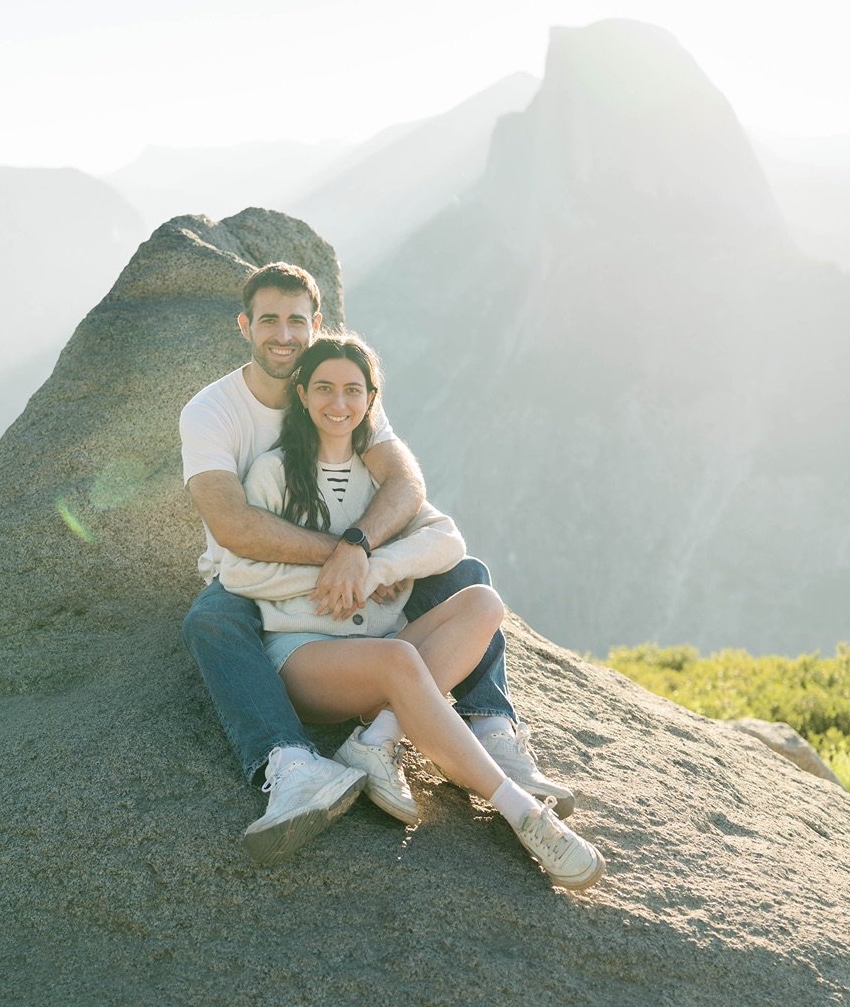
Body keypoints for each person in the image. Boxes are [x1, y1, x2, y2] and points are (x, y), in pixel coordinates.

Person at [180, 261, 574, 865]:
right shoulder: (214, 412)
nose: (283, 335)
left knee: (469, 580)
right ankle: (289, 762)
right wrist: (345, 560)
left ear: (316, 325)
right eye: (268, 321)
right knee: (210, 619)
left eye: (295, 321)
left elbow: (406, 486)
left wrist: (368, 556)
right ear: (245, 326)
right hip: (259, 572)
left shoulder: (339, 391)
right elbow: (234, 528)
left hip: (357, 572)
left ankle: (488, 725)